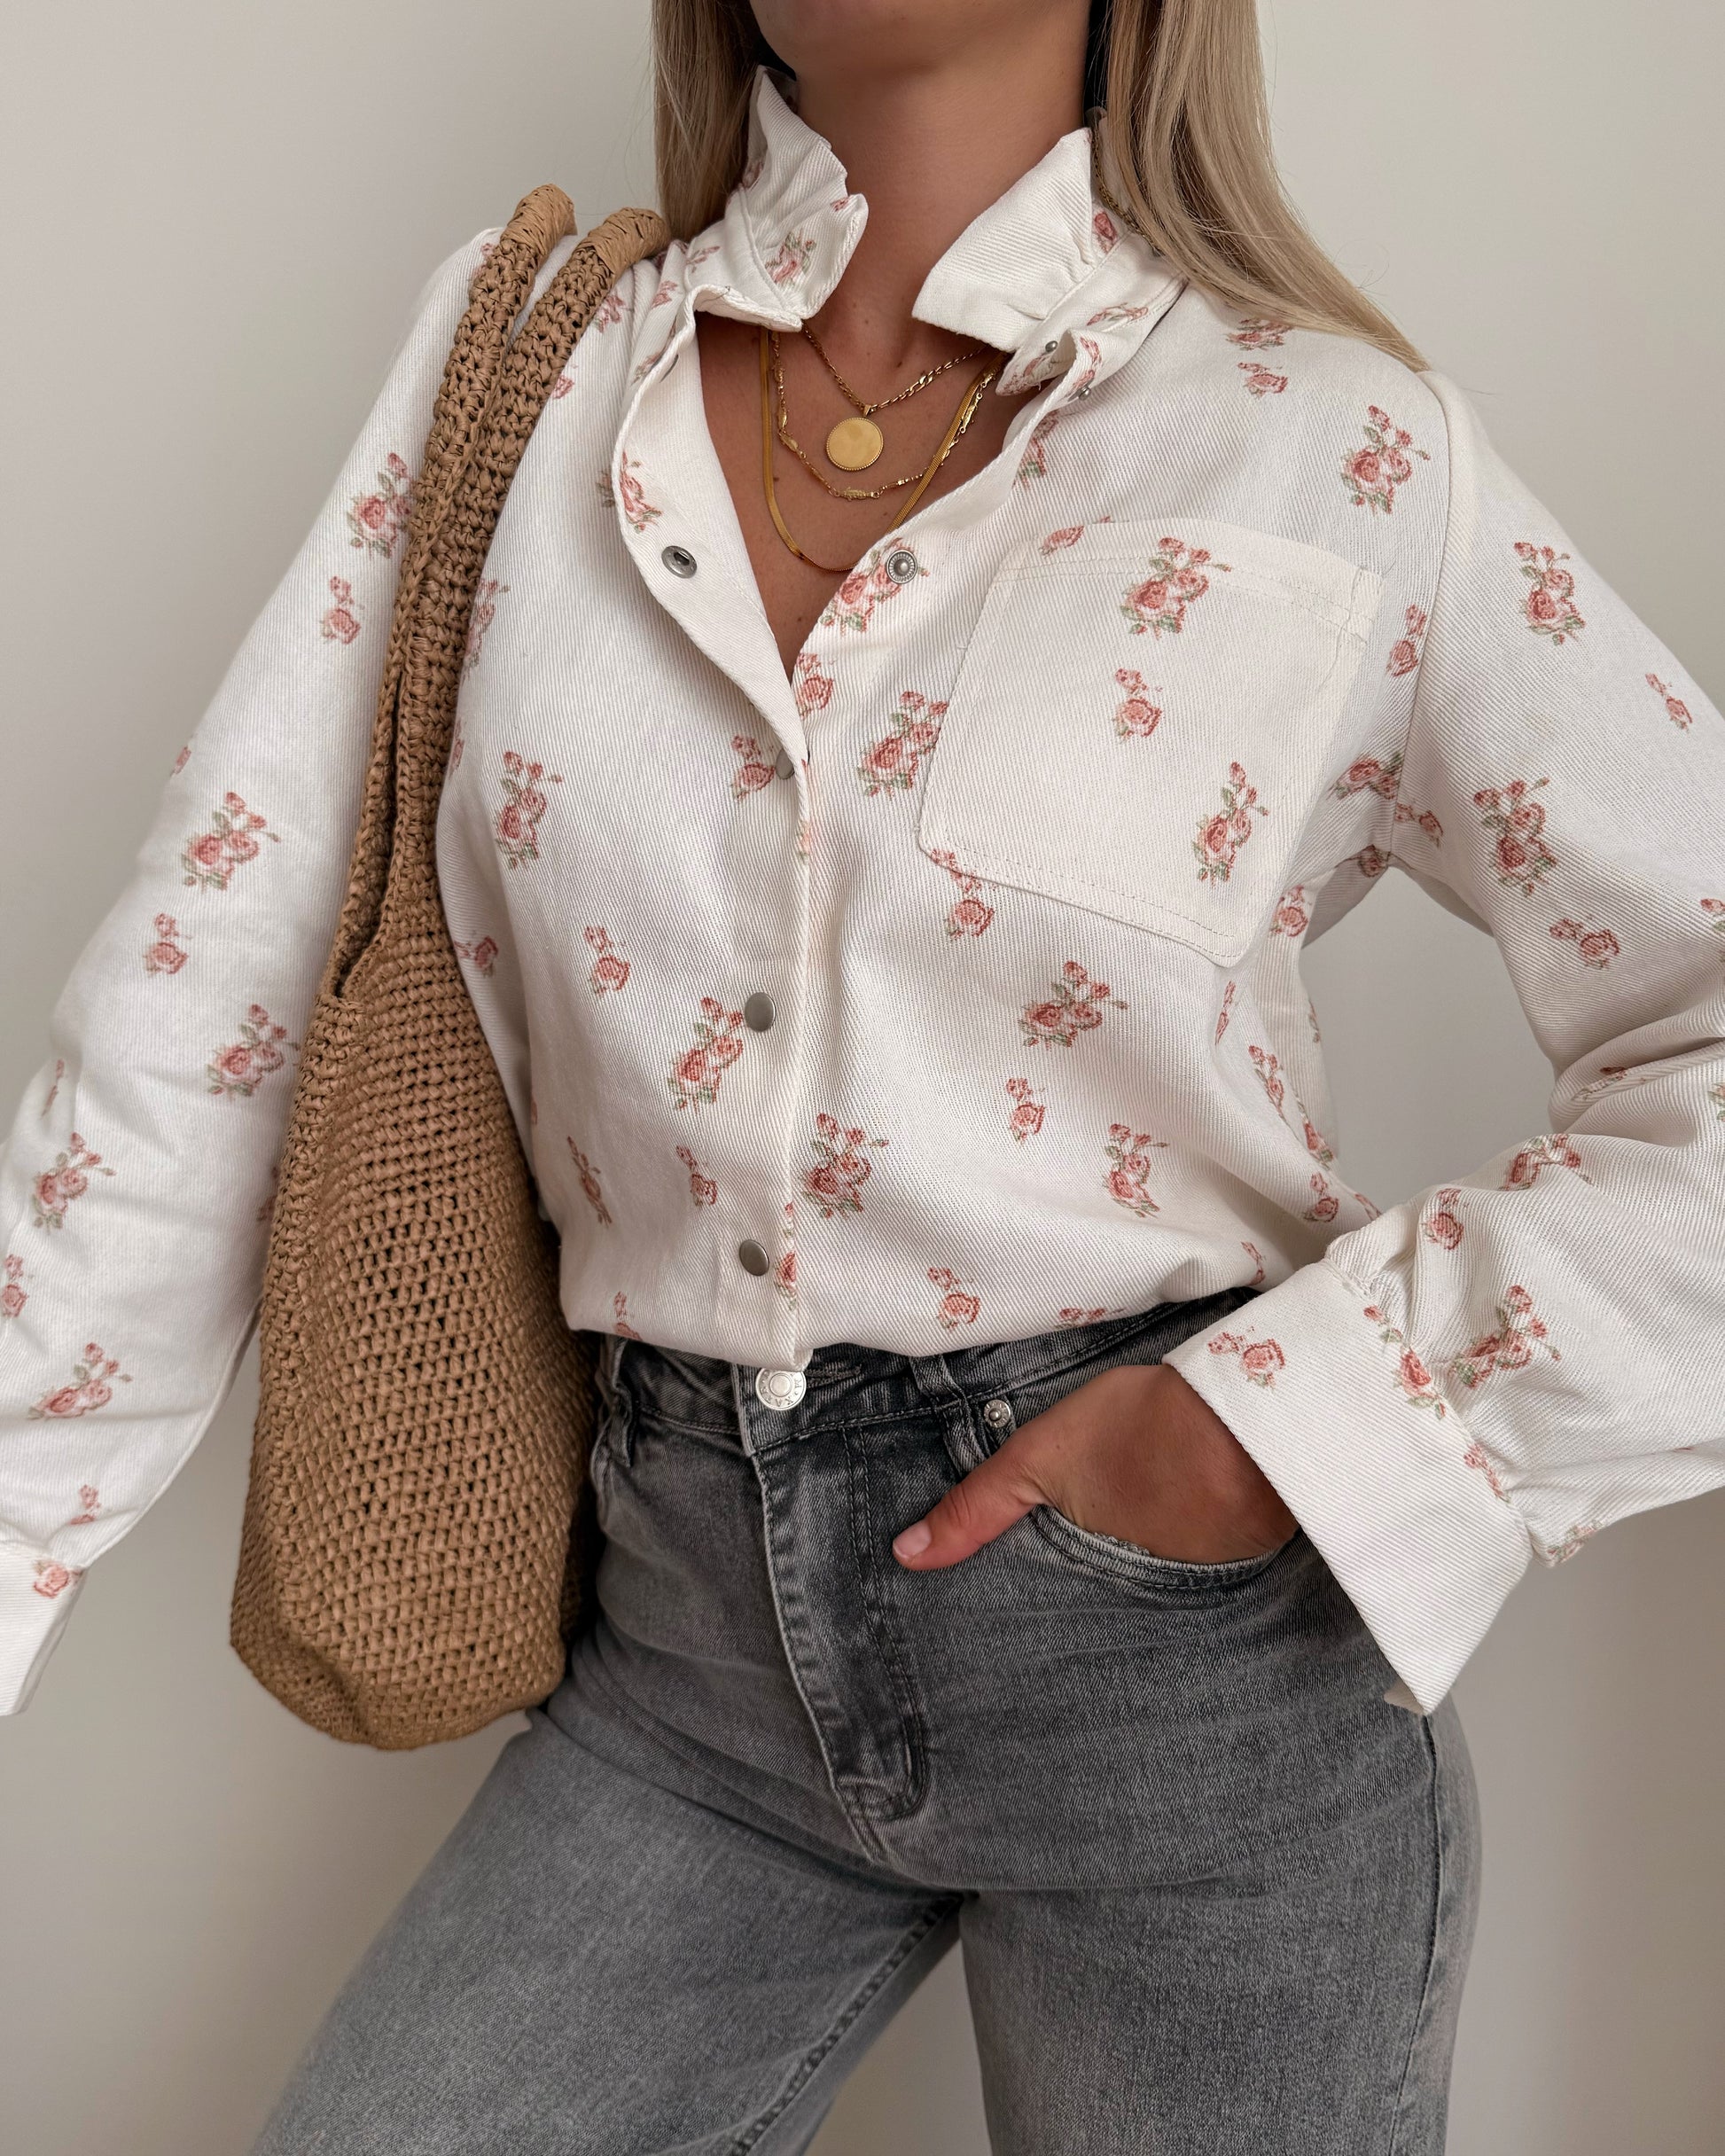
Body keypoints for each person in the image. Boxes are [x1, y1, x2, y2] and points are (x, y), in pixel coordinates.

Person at [4, 0, 1720, 2147]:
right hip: (681, 1655)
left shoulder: (1329, 447)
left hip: (1194, 1674)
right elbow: (206, 1008)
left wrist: (1325, 1417)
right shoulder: (534, 375)